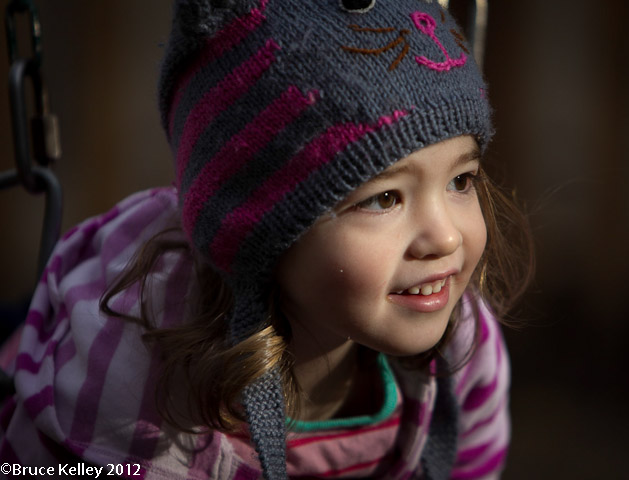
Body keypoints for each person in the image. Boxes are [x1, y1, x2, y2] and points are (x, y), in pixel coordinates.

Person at [0, 0, 533, 478]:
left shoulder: (461, 341)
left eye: (461, 181)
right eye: (383, 198)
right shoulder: (134, 384)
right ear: (262, 228)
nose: (444, 237)